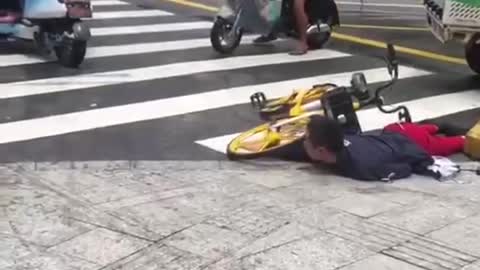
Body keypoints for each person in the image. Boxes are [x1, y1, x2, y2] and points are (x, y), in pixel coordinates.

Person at [302, 115, 465, 181]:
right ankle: (438, 126)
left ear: (322, 150)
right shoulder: (339, 139)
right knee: (428, 128)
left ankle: (453, 132)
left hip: (416, 144)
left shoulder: (361, 167)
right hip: (395, 130)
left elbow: (405, 168)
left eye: (306, 139)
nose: (303, 141)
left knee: (464, 141)